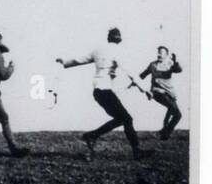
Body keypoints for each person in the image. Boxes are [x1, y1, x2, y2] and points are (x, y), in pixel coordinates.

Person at [56, 26, 141, 159]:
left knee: (122, 119)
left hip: (98, 91)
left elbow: (80, 60)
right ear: (119, 39)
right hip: (105, 90)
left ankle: (93, 136)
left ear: (108, 38)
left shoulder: (98, 50)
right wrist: (145, 90)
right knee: (126, 119)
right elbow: (129, 71)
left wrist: (64, 62)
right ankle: (136, 151)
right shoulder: (118, 51)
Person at [139, 46, 183, 139]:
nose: (159, 54)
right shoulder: (152, 65)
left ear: (167, 55)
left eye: (161, 53)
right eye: (158, 52)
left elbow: (179, 70)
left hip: (169, 92)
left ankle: (165, 134)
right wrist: (132, 81)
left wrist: (175, 63)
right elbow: (142, 75)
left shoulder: (170, 63)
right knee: (171, 107)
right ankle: (164, 131)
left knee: (178, 115)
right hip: (156, 92)